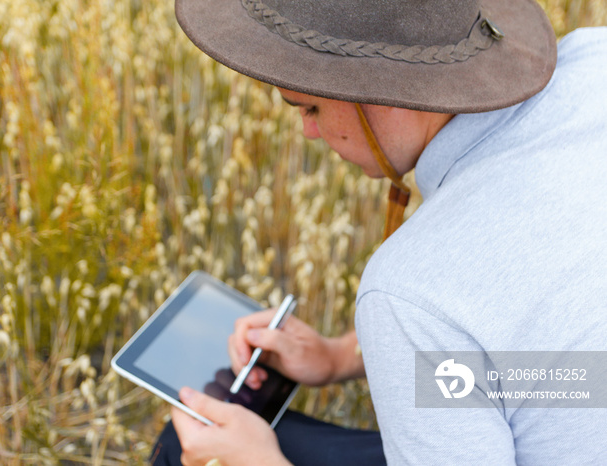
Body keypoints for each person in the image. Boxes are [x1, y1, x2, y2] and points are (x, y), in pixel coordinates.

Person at [151, 0, 607, 464]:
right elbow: (575, 374)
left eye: (309, 106)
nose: (308, 131)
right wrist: (344, 356)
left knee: (185, 444)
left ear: (382, 95)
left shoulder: (409, 288)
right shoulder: (595, 57)